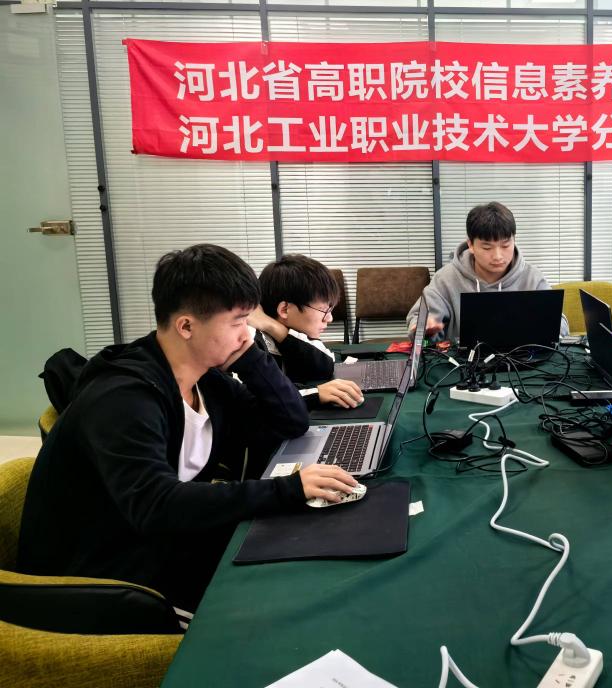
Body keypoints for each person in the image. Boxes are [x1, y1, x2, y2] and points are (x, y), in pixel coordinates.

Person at [17, 245, 358, 613]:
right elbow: (156, 504)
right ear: (186, 326)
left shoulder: (204, 378)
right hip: (100, 582)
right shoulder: (125, 397)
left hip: (160, 541)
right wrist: (287, 489)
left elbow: (290, 420)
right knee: (282, 594)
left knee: (302, 551)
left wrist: (251, 358)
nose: (247, 334)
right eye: (237, 322)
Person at [406, 201, 569, 341]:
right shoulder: (446, 278)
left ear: (514, 240)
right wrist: (423, 327)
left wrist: (546, 327)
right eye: (487, 247)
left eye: (505, 245)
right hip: (464, 363)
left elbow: (560, 322)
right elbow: (418, 319)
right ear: (470, 245)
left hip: (522, 360)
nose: (498, 256)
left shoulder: (532, 277)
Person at [250, 254, 363, 409]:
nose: (329, 318)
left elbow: (325, 365)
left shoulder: (280, 332)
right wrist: (316, 393)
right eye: (324, 310)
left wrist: (274, 327)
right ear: (285, 309)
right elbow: (260, 400)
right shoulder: (251, 342)